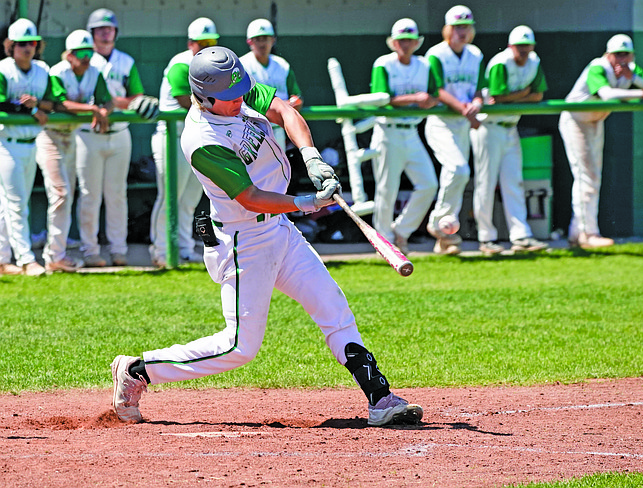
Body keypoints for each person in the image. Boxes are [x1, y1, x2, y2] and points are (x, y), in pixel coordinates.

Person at [110, 46, 423, 428]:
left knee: (332, 305)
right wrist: (307, 202)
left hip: (279, 229)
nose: (239, 100)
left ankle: (380, 397)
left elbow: (285, 111)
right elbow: (250, 197)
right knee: (239, 347)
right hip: (243, 241)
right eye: (229, 98)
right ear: (204, 97)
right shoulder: (201, 139)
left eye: (240, 91)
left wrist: (310, 156)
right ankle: (138, 371)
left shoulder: (234, 91)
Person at [559, 34, 643, 249]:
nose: (622, 60)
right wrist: (642, 94)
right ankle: (588, 234)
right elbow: (606, 94)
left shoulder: (631, 70)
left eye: (626, 55)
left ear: (632, 55)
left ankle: (577, 233)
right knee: (585, 176)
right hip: (576, 121)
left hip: (596, 120)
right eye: (617, 55)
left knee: (594, 177)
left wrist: (638, 81)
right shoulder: (598, 67)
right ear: (608, 55)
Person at [77, 8, 155, 267]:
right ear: (92, 33)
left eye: (109, 28)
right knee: (89, 195)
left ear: (116, 32)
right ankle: (90, 250)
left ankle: (118, 250)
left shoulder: (125, 61)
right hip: (89, 134)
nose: (105, 33)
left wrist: (114, 103)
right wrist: (113, 103)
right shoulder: (84, 58)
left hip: (119, 132)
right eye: (100, 29)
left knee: (117, 194)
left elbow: (136, 97)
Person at [36, 29, 112, 273]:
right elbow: (61, 104)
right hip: (50, 137)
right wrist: (93, 109)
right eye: (81, 53)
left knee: (65, 197)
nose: (86, 57)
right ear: (69, 55)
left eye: (89, 52)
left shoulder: (94, 73)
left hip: (71, 138)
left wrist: (104, 111)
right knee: (60, 195)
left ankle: (56, 254)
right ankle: (52, 255)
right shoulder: (57, 71)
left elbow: (107, 100)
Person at [469, 25, 549, 254]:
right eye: (519, 46)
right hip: (489, 127)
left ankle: (521, 236)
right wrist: (524, 94)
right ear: (511, 46)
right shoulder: (500, 62)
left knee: (514, 182)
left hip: (510, 127)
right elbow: (498, 97)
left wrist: (515, 97)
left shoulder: (534, 61)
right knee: (485, 183)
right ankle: (486, 238)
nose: (523, 51)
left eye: (527, 46)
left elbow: (539, 95)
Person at [149, 17, 219, 267]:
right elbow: (184, 100)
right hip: (172, 137)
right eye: (201, 43)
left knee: (190, 198)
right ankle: (160, 250)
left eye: (211, 42)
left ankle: (185, 248)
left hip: (196, 138)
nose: (206, 47)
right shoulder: (181, 62)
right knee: (169, 197)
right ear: (191, 43)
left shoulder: (213, 64)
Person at [369, 18, 438, 254]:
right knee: (387, 189)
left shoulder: (424, 64)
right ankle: (384, 241)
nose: (405, 44)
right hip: (388, 131)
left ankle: (402, 231)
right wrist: (414, 99)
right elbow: (381, 99)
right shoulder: (383, 63)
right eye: (401, 40)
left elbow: (435, 93)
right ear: (393, 42)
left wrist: (429, 101)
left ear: (417, 42)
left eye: (409, 39)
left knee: (429, 184)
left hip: (412, 131)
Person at [423, 5, 484, 255]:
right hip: (440, 122)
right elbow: (437, 90)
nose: (462, 32)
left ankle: (446, 236)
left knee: (460, 176)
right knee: (459, 169)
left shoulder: (475, 54)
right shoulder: (436, 53)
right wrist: (463, 108)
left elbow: (480, 88)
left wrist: (477, 103)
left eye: (466, 27)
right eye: (457, 27)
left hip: (462, 123)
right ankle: (437, 222)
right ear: (448, 29)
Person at [0, 18, 52, 276]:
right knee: (17, 203)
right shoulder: (3, 69)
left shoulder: (43, 69)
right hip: (6, 143)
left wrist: (38, 106)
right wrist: (29, 108)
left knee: (6, 205)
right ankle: (26, 259)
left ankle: (2, 259)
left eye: (30, 43)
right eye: (21, 44)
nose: (26, 48)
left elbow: (53, 102)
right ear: (10, 46)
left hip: (31, 143)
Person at [240, 18, 303, 153]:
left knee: (280, 170)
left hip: (278, 129)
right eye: (258, 39)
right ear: (249, 41)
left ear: (273, 40)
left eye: (266, 38)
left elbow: (297, 97)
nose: (262, 43)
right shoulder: (242, 65)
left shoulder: (282, 65)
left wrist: (291, 105)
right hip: (250, 129)